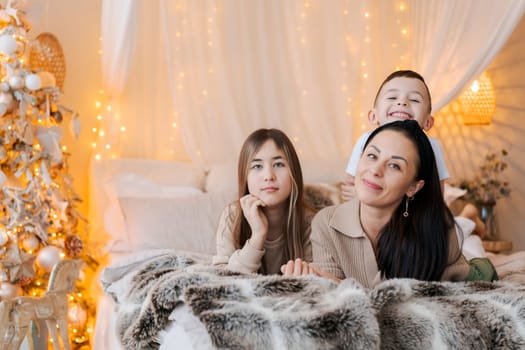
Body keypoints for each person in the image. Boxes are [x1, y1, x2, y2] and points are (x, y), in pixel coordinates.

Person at [281, 120, 497, 287]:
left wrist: (338, 284)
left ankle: (469, 216)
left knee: (472, 246)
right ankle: (469, 217)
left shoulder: (438, 229)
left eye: (394, 165)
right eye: (372, 156)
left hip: (471, 268)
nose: (375, 170)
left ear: (414, 186)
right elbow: (332, 295)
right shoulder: (325, 222)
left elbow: (419, 301)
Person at [341, 69, 486, 238]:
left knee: (458, 242)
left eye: (415, 99)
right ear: (373, 116)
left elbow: (435, 197)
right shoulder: (366, 141)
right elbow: (350, 188)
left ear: (428, 122)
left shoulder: (430, 147)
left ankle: (468, 216)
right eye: (392, 97)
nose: (402, 102)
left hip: (420, 221)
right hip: (378, 221)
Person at [212, 128, 314, 274]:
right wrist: (258, 235)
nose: (268, 176)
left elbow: (314, 282)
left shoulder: (310, 223)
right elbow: (225, 280)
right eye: (257, 166)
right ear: (245, 177)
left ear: (294, 173)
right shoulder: (232, 216)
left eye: (278, 164)